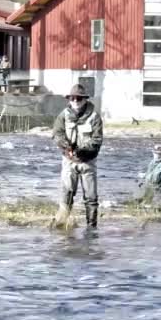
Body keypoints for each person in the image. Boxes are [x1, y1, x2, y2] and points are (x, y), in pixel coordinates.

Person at [51, 84, 103, 230]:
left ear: (85, 99)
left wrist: (81, 150)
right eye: (72, 98)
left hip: (88, 162)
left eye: (79, 98)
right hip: (68, 161)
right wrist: (66, 146)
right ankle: (63, 224)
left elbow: (97, 141)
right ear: (69, 99)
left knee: (91, 198)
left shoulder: (95, 117)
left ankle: (92, 229)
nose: (75, 101)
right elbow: (57, 134)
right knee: (66, 194)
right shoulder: (63, 115)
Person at [140, 144, 161, 213]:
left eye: (156, 153)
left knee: (160, 206)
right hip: (153, 187)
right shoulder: (154, 162)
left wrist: (147, 177)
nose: (154, 154)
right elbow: (150, 173)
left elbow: (155, 179)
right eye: (154, 153)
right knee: (149, 204)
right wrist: (144, 176)